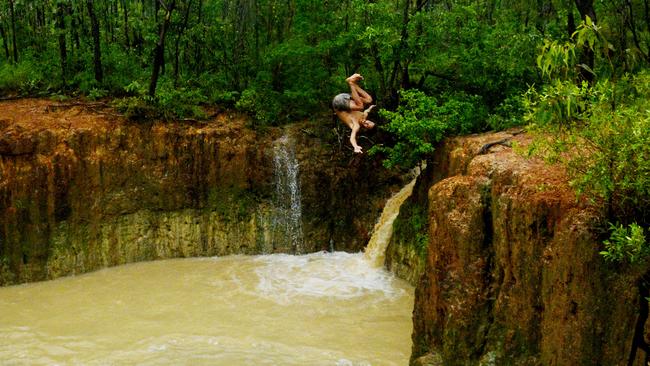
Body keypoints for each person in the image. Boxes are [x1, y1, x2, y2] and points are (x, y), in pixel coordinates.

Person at [332, 74, 376, 153]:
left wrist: (355, 146)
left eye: (367, 125)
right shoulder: (364, 116)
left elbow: (352, 138)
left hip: (338, 103)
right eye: (368, 122)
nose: (366, 122)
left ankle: (351, 83)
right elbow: (367, 111)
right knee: (369, 100)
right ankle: (352, 83)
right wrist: (371, 107)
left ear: (365, 129)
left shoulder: (356, 126)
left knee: (361, 107)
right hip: (345, 97)